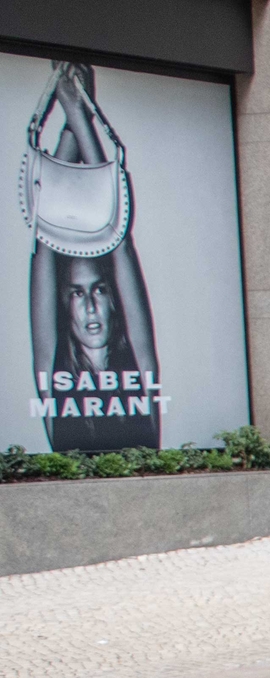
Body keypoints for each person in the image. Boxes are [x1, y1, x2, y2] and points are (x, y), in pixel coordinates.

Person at [25, 61, 160, 453]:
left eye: (98, 290)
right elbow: (46, 244)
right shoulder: (52, 366)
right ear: (63, 305)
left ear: (114, 300)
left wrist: (76, 115)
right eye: (76, 293)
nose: (89, 306)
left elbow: (119, 241)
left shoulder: (139, 358)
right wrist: (77, 113)